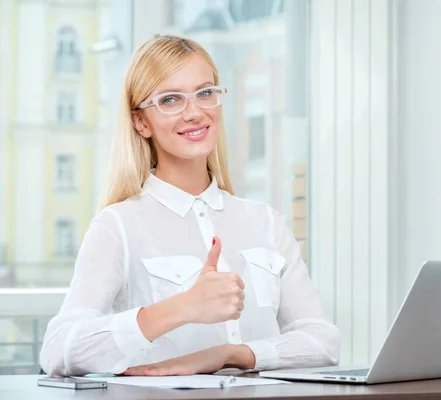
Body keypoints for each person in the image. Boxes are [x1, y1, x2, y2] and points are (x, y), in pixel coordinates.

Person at [40, 34, 340, 377]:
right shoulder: (118, 226)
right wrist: (182, 307)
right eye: (170, 100)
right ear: (141, 122)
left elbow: (323, 342)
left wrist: (230, 354)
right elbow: (58, 349)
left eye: (205, 93)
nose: (194, 112)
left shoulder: (266, 222)